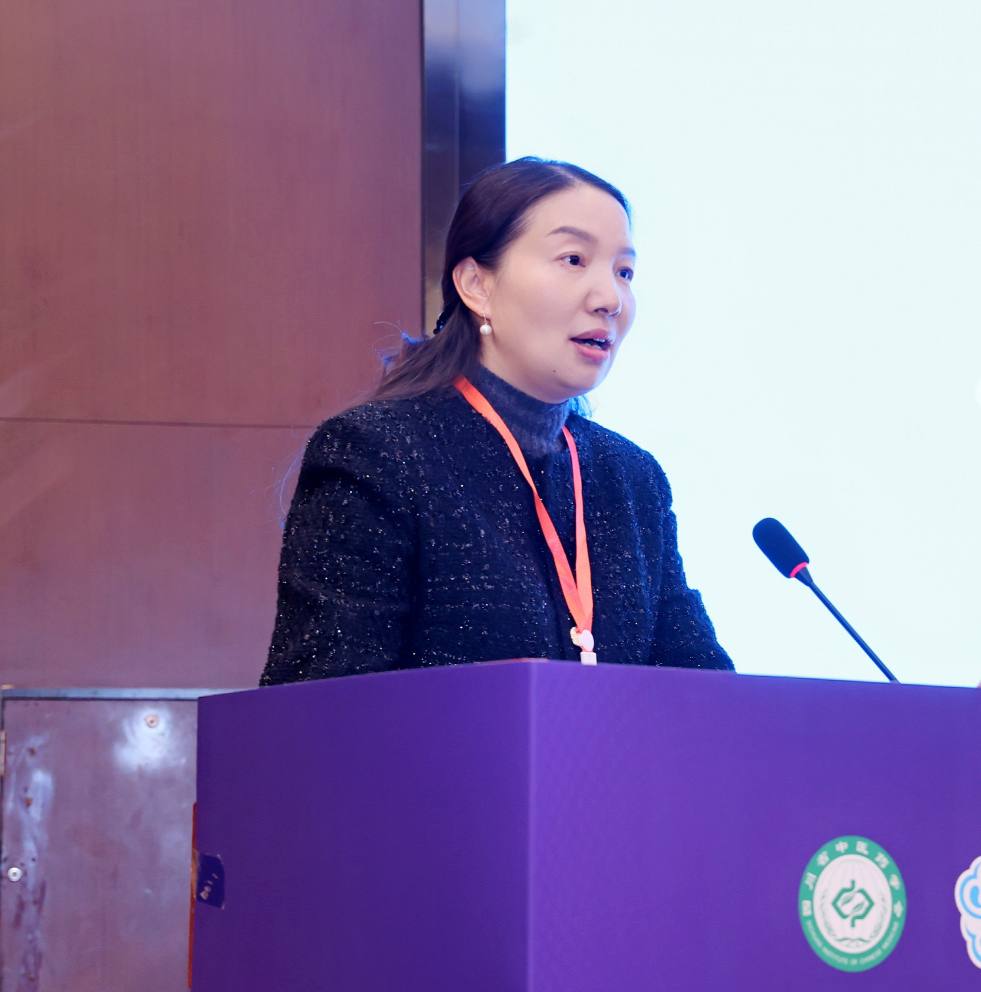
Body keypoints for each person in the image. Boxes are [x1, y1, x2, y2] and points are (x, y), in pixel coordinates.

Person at [261, 158, 733, 684]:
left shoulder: (631, 478)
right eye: (573, 259)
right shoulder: (381, 453)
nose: (610, 299)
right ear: (476, 285)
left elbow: (706, 694)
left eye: (624, 272)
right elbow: (318, 702)